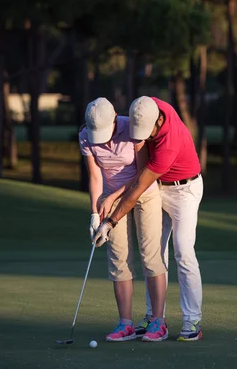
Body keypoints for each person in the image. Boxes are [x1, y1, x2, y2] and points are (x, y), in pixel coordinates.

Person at [94, 96, 204, 342]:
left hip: (184, 191)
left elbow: (137, 189)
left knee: (183, 251)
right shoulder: (146, 106)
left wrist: (110, 221)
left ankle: (192, 320)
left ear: (159, 121)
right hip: (159, 187)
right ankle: (154, 317)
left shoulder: (168, 142)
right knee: (153, 253)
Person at [79, 97, 168, 342]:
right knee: (118, 258)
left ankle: (158, 321)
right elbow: (95, 177)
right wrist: (95, 215)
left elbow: (142, 173)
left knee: (150, 255)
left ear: (116, 119)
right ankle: (125, 324)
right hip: (110, 198)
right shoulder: (86, 136)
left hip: (143, 194)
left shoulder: (132, 128)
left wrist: (113, 198)